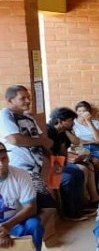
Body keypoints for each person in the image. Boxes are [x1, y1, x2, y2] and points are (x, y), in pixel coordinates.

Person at [1, 85, 56, 242]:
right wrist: (43, 140)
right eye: (22, 98)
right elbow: (15, 139)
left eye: (28, 97)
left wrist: (52, 166)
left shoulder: (28, 117)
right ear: (10, 100)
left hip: (37, 169)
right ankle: (28, 240)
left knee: (44, 207)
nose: (27, 101)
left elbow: (43, 144)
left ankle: (30, 240)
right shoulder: (5, 115)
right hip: (22, 169)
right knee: (46, 207)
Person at [0, 144, 53, 251]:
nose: (1, 164)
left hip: (14, 219)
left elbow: (30, 208)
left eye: (4, 158)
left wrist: (7, 227)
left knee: (34, 225)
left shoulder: (20, 174)